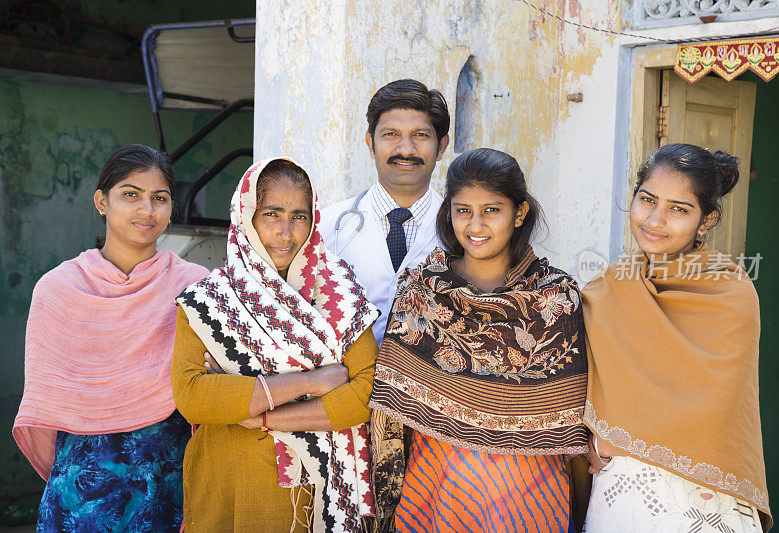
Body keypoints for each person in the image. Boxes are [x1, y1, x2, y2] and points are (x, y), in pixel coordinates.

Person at [369, 148, 590, 533]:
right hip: (436, 488)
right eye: (462, 210)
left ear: (519, 213)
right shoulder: (423, 290)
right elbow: (391, 416)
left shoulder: (556, 299)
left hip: (528, 496)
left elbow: (569, 431)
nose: (475, 225)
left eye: (492, 210)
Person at [171, 157, 380, 532]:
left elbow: (364, 394)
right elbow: (192, 396)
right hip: (227, 485)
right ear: (246, 216)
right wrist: (311, 382)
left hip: (313, 496)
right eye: (271, 214)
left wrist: (259, 413)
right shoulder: (209, 301)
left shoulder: (341, 295)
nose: (286, 232)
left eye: (299, 216)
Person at [13, 144, 209, 531]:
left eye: (160, 198)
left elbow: (210, 386)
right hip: (82, 499)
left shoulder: (197, 287)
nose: (147, 210)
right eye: (130, 195)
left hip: (167, 490)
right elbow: (46, 402)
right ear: (102, 201)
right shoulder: (57, 290)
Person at [581, 143, 772, 532]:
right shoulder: (609, 286)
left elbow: (718, 405)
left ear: (706, 220)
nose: (654, 219)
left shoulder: (730, 292)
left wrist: (616, 440)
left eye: (678, 209)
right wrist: (597, 441)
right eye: (647, 199)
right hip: (623, 491)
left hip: (699, 492)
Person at [319, 79, 450, 346]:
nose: (405, 149)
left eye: (420, 135)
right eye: (391, 134)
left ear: (442, 146)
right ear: (370, 143)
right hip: (344, 384)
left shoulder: (459, 231)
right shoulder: (327, 226)